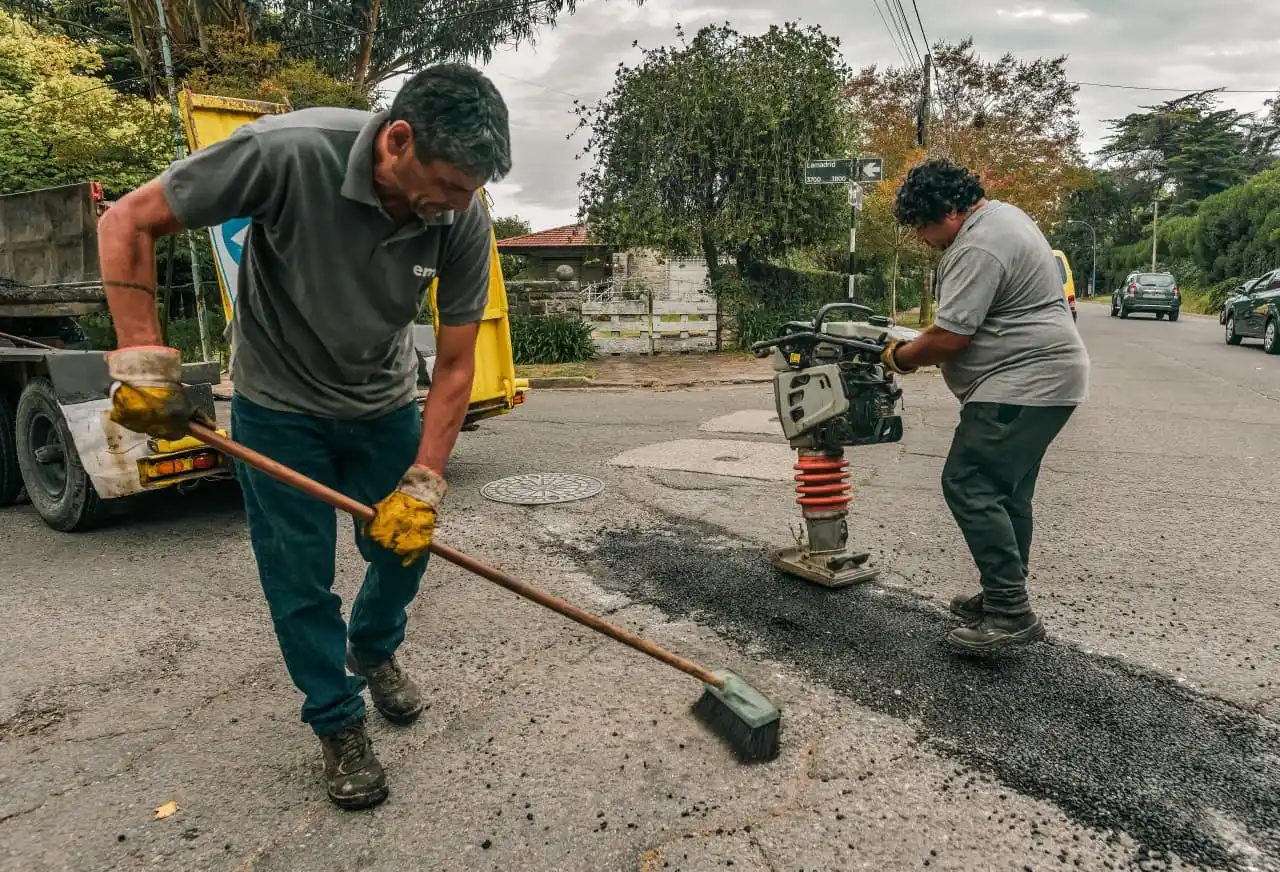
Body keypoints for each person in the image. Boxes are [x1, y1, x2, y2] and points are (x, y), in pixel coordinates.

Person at [97, 64, 511, 809]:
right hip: (278, 406)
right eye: (449, 184)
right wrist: (141, 360)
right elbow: (126, 220)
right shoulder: (287, 153)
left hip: (382, 402)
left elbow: (453, 366)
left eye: (470, 189)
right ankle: (337, 719)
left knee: (403, 548)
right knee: (298, 578)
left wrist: (425, 480)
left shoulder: (462, 217)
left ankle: (373, 648)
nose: (459, 203)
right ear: (398, 139)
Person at [878, 160, 1089, 654]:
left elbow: (950, 337)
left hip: (1021, 384)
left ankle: (1011, 613)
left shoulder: (977, 244)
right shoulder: (1004, 218)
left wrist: (899, 357)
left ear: (947, 211)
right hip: (1046, 381)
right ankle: (1002, 595)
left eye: (921, 226)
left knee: (969, 483)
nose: (921, 238)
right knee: (1006, 492)